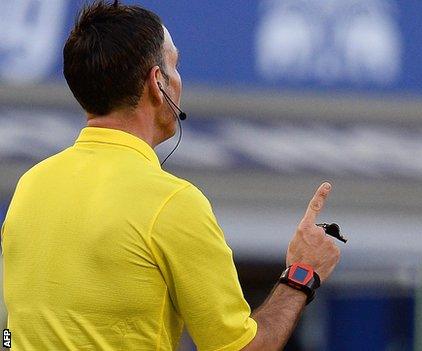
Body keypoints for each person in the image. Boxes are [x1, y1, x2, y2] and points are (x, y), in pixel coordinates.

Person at [0, 1, 340, 350]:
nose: (180, 80)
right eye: (174, 65)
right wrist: (302, 274)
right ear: (157, 82)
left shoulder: (30, 186)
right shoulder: (173, 203)